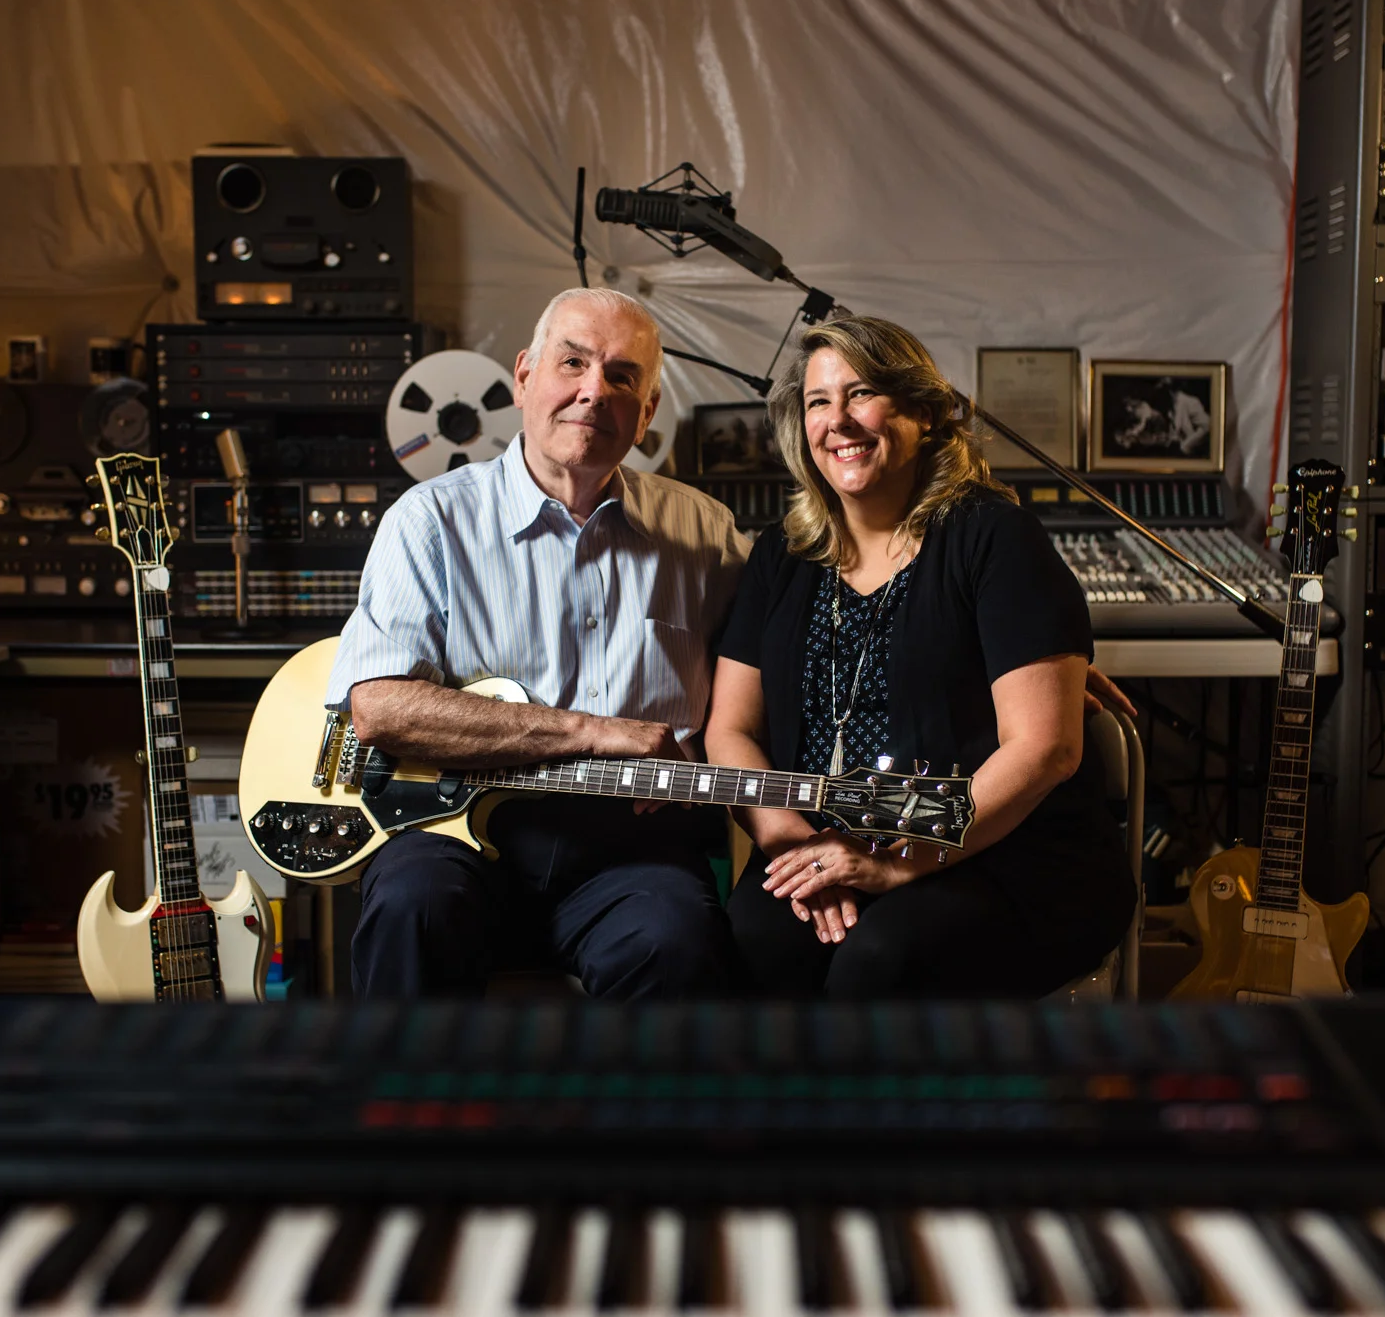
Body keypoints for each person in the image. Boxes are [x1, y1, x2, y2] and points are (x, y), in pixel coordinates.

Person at [325, 288, 750, 997]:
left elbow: (764, 690)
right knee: (410, 906)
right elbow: (379, 707)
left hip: (631, 855)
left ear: (648, 412)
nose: (594, 391)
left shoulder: (707, 535)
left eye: (622, 377)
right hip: (452, 836)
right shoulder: (430, 521)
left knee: (678, 942)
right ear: (524, 376)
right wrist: (595, 731)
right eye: (573, 362)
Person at [707, 315, 1135, 997]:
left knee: (880, 962)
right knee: (753, 944)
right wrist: (792, 845)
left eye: (862, 393)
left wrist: (900, 861)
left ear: (924, 413)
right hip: (827, 841)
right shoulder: (780, 554)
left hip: (1005, 852)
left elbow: (1047, 748)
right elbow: (730, 728)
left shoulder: (996, 540)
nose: (838, 420)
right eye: (818, 401)